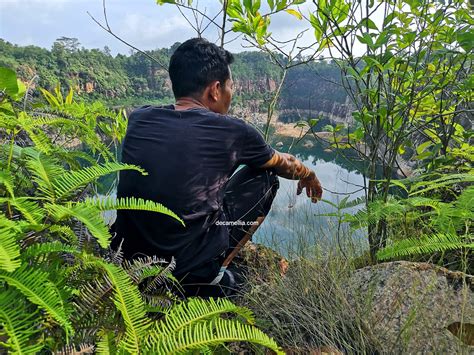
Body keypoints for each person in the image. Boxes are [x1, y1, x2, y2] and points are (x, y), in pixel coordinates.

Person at [113, 38, 322, 297]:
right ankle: (215, 272)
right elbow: (284, 164)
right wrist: (309, 174)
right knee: (266, 177)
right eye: (230, 87)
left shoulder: (139, 118)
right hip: (185, 270)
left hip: (127, 261)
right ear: (215, 90)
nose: (231, 95)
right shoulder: (233, 131)